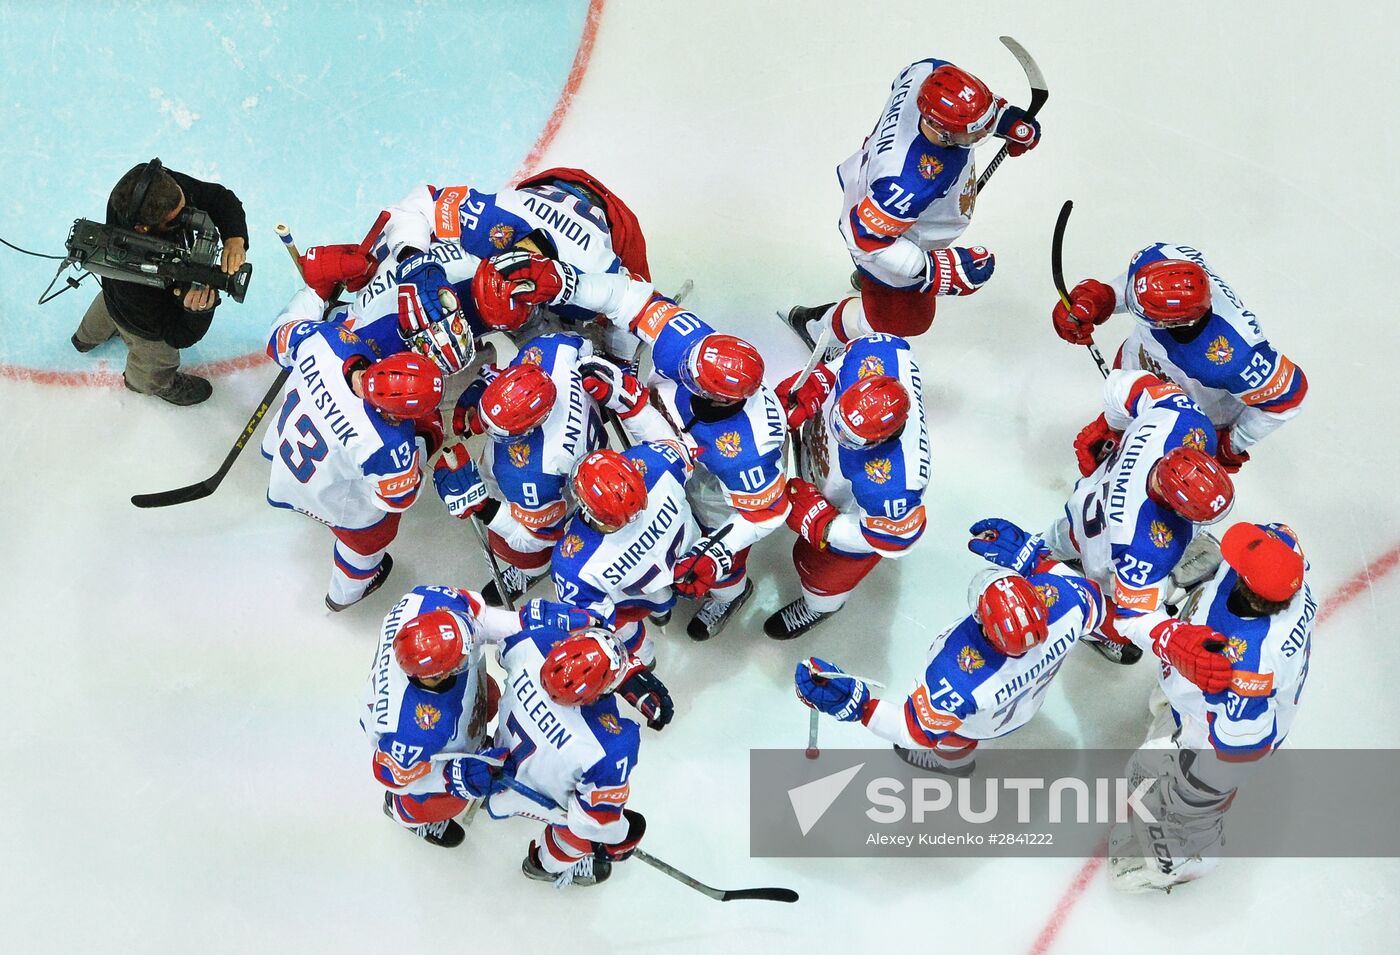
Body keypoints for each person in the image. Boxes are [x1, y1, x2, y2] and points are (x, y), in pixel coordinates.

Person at [970, 370, 1237, 677]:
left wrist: (1109, 427)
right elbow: (1132, 617)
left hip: (1079, 512)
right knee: (1102, 604)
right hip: (1103, 553)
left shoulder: (1181, 418)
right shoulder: (1147, 547)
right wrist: (1170, 638)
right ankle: (1097, 632)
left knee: (1057, 541)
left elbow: (1121, 385)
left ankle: (1051, 558)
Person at [782, 59, 1040, 355]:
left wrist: (1001, 118)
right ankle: (820, 327)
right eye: (974, 132)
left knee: (891, 283)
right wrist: (931, 268)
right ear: (940, 131)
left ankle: (872, 283)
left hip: (877, 197)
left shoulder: (928, 73)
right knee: (904, 321)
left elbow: (952, 99)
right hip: (888, 232)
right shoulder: (908, 184)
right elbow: (865, 240)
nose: (982, 136)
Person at [1109, 521, 1313, 892]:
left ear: (1247, 585)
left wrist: (1190, 784)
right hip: (1190, 694)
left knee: (1180, 801)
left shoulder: (1250, 665)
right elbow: (1275, 537)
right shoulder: (1285, 560)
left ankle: (1185, 856)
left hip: (1210, 731)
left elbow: (1237, 751)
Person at [795, 565, 1107, 774]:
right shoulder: (1069, 602)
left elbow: (911, 732)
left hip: (980, 722)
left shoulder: (956, 678)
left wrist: (857, 706)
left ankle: (955, 763)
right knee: (961, 724)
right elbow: (1102, 609)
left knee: (954, 735)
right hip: (1028, 705)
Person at [262, 288, 463, 610]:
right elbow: (397, 498)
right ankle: (344, 595)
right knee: (370, 538)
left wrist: (315, 293)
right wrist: (428, 434)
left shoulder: (329, 340)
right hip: (336, 499)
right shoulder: (386, 443)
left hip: (285, 450)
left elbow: (277, 337)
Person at [1049, 243, 1309, 472]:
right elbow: (1133, 289)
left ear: (1175, 323)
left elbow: (1289, 396)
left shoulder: (1234, 356)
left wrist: (1231, 443)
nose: (1133, 308)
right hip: (1137, 379)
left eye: (1145, 313)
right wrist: (1102, 297)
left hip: (1188, 418)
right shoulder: (1162, 258)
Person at [764, 333, 932, 639]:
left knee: (823, 575)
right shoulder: (876, 353)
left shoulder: (895, 485)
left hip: (846, 511)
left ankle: (820, 606)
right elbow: (843, 362)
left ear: (883, 439)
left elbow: (897, 539)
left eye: (851, 439)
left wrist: (825, 525)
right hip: (824, 474)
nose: (841, 434)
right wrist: (818, 382)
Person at [486, 625, 656, 887]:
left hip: (493, 760)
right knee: (584, 834)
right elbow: (591, 824)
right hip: (530, 797)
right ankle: (545, 865)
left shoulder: (533, 642)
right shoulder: (613, 746)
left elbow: (501, 652)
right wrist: (619, 839)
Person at [448, 333, 609, 606]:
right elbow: (586, 346)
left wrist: (483, 506)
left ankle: (530, 571)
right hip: (595, 453)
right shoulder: (549, 350)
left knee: (516, 545)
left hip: (565, 486)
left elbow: (537, 538)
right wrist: (482, 387)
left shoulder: (531, 475)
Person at [71, 158, 249, 405]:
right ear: (143, 229)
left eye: (185, 205)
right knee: (154, 357)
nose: (188, 216)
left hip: (111, 291)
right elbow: (175, 335)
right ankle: (146, 383)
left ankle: (85, 338)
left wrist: (235, 238)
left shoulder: (151, 187)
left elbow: (219, 198)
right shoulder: (136, 283)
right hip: (142, 318)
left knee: (108, 304)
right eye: (177, 219)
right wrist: (196, 311)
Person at [550, 443, 700, 668]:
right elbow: (692, 452)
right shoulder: (656, 461)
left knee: (618, 627)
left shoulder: (571, 563)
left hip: (637, 600)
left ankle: (644, 660)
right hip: (692, 558)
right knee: (722, 571)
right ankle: (723, 595)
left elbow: (595, 623)